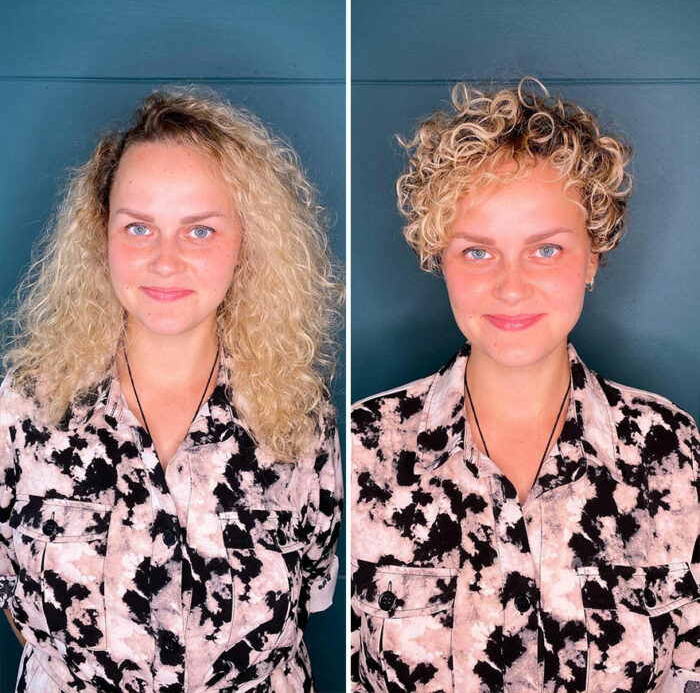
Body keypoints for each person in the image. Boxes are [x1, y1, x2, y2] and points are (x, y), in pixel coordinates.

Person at [351, 78, 699, 691]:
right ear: (440, 257)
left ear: (593, 255)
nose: (511, 287)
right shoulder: (363, 450)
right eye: (478, 252)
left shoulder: (670, 451)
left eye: (545, 250)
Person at [0, 86, 343, 692]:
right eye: (138, 228)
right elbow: (16, 602)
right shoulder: (23, 409)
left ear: (246, 242)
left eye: (200, 231)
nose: (164, 261)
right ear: (101, 233)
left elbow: (309, 600)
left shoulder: (298, 417)